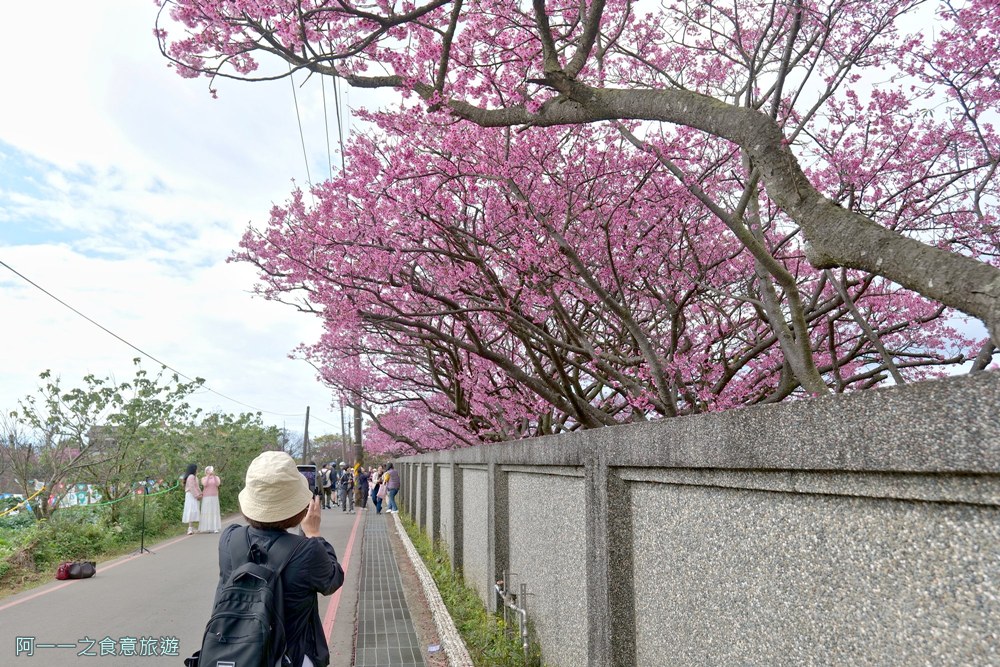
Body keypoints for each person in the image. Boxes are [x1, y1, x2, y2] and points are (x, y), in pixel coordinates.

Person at [215, 450, 344, 667]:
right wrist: (314, 534)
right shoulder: (308, 551)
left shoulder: (229, 538)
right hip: (290, 656)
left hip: (236, 655)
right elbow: (333, 579)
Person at [199, 466, 222, 533]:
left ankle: (215, 527)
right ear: (206, 471)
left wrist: (214, 476)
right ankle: (207, 527)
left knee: (214, 511)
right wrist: (208, 476)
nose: (210, 471)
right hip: (206, 497)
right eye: (208, 470)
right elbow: (205, 484)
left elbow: (218, 484)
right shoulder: (203, 478)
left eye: (211, 470)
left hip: (214, 496)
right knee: (207, 511)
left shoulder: (216, 477)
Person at [182, 463, 202, 535]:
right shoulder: (191, 477)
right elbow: (192, 487)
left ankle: (192, 527)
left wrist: (200, 493)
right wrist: (197, 495)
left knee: (193, 510)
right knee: (191, 510)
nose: (197, 470)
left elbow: (197, 487)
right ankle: (190, 528)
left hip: (193, 494)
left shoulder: (194, 477)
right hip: (191, 495)